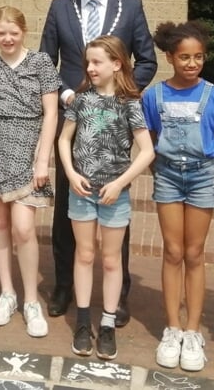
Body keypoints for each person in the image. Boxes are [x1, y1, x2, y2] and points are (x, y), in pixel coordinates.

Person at [40, 0, 158, 325]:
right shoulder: (60, 7)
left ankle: (117, 294)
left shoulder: (132, 6)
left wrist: (121, 94)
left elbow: (147, 60)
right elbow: (46, 62)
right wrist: (69, 94)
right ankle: (63, 286)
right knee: (67, 209)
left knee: (113, 210)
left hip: (116, 125)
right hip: (75, 117)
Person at [141, 21, 214, 373]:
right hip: (167, 176)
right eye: (184, 57)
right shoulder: (154, 96)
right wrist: (160, 171)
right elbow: (149, 139)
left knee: (194, 253)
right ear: (170, 57)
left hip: (201, 179)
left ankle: (193, 331)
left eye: (198, 57)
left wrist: (212, 182)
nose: (192, 63)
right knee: (173, 251)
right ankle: (172, 328)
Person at [57, 35, 154, 361]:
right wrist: (71, 173)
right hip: (82, 191)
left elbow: (147, 151)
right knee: (84, 255)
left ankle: (108, 323)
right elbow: (64, 140)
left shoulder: (130, 102)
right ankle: (83, 321)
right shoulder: (81, 100)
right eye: (88, 62)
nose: (90, 67)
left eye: (97, 62)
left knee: (111, 260)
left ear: (117, 64)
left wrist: (120, 182)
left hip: (115, 195)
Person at [0, 6, 61, 338]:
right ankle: (7, 294)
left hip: (29, 151)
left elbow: (51, 113)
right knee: (0, 223)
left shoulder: (41, 64)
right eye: (1, 33)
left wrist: (42, 159)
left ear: (24, 32)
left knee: (24, 229)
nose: (7, 39)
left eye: (14, 32)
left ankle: (31, 300)